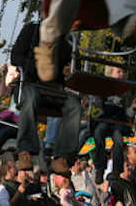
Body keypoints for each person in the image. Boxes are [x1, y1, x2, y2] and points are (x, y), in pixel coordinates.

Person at [11, 19, 83, 178]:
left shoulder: (69, 40)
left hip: (56, 90)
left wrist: (70, 71)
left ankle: (62, 157)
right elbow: (16, 57)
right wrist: (41, 67)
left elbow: (76, 67)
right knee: (30, 98)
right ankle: (25, 152)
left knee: (75, 106)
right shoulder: (31, 30)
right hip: (31, 84)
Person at [89, 66, 136, 184]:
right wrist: (94, 93)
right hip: (107, 118)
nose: (122, 74)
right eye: (119, 72)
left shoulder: (126, 90)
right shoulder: (105, 87)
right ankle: (100, 167)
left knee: (118, 137)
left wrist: (133, 108)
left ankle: (117, 169)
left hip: (119, 120)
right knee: (98, 132)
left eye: (123, 72)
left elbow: (127, 112)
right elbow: (97, 104)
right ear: (110, 74)